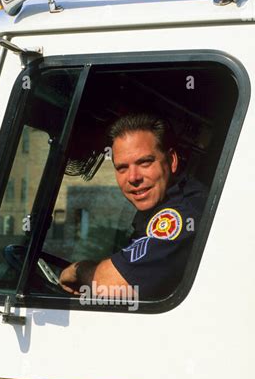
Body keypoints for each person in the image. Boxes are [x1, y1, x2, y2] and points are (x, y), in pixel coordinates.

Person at [59, 113, 207, 301]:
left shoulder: (184, 212)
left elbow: (114, 286)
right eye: (122, 168)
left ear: (172, 161)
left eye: (144, 162)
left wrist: (77, 270)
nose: (133, 177)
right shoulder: (162, 205)